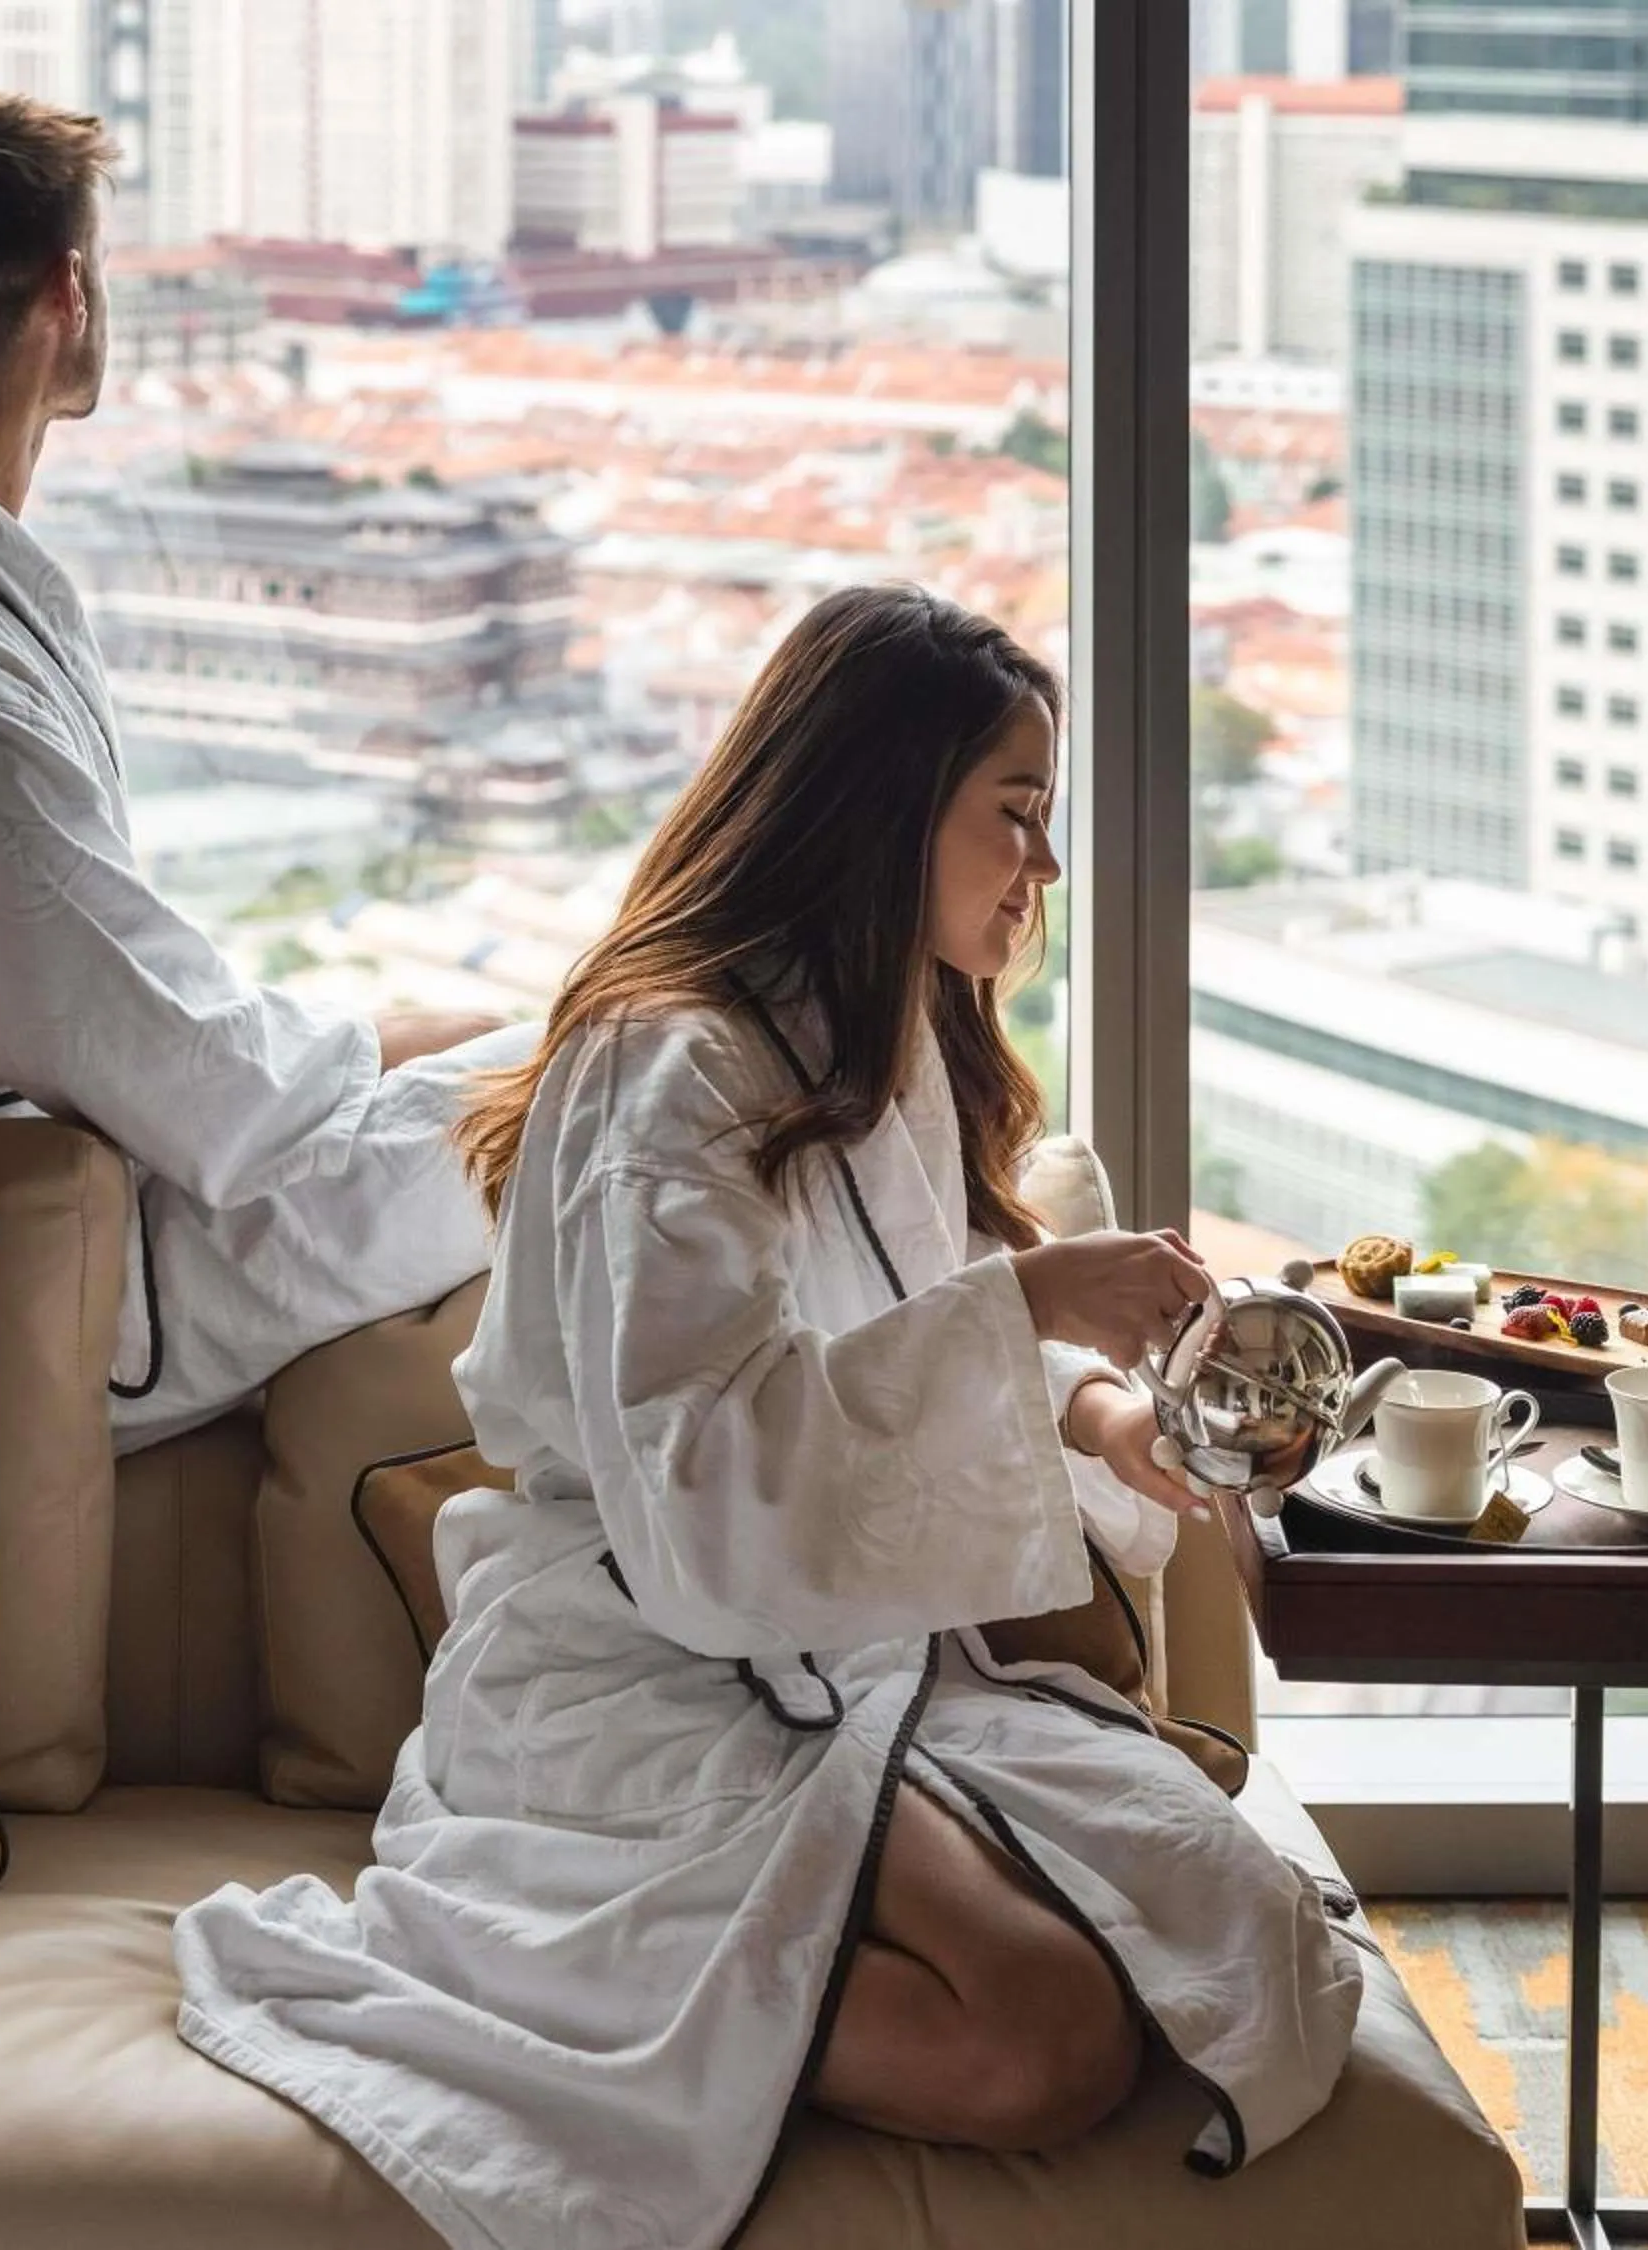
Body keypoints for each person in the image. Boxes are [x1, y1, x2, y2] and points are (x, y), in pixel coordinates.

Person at [173, 586, 1366, 2250]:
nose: (1048, 867)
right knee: (1043, 2036)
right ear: (884, 804)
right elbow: (709, 1477)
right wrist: (1027, 1301)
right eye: (1015, 816)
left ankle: (734, 1974)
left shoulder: (881, 1030)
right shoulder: (667, 1070)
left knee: (1207, 1924)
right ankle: (560, 1968)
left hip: (829, 1647)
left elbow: (905, 1330)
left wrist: (1097, 1412)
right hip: (635, 1658)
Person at [0, 90, 524, 1448]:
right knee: (589, 1071)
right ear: (70, 293)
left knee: (510, 1049)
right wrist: (387, 1038)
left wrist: (375, 1037)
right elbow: (212, 1097)